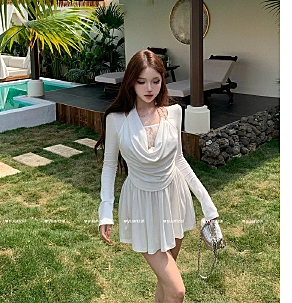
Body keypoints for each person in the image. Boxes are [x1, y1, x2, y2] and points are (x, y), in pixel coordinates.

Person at [94, 50, 219, 303]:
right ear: (131, 82)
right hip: (141, 203)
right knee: (177, 290)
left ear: (163, 80)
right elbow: (109, 166)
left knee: (166, 284)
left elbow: (179, 160)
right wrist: (105, 211)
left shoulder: (173, 113)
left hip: (174, 199)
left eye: (155, 81)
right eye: (141, 81)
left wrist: (208, 204)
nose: (149, 88)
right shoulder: (117, 120)